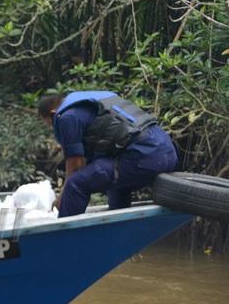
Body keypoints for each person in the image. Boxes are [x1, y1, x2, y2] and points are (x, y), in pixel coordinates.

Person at [38, 91, 177, 217]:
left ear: (52, 113)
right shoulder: (92, 101)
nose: (52, 127)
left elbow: (76, 167)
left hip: (145, 156)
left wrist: (61, 199)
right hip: (167, 152)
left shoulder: (66, 117)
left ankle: (64, 237)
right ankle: (119, 229)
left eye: (49, 124)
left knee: (75, 184)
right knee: (109, 176)